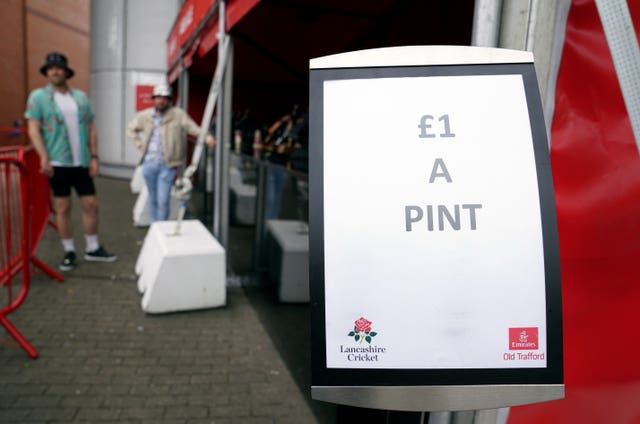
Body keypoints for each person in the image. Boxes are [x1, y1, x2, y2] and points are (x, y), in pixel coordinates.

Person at [25, 52, 117, 271]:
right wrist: (43, 157)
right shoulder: (38, 97)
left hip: (82, 162)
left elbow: (92, 128)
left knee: (91, 205)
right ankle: (69, 251)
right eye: (51, 68)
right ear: (47, 72)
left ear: (66, 71)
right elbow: (33, 128)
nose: (55, 71)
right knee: (63, 207)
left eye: (59, 67)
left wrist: (94, 156)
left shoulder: (80, 98)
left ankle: (93, 248)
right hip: (57, 162)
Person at [126, 84, 215, 223]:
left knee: (163, 199)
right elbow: (131, 129)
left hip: (167, 165)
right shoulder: (146, 116)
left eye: (164, 98)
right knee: (153, 198)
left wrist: (207, 137)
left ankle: (161, 227)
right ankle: (154, 227)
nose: (161, 101)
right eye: (158, 97)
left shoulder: (178, 115)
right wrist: (139, 145)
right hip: (149, 164)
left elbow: (193, 128)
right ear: (153, 99)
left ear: (169, 100)